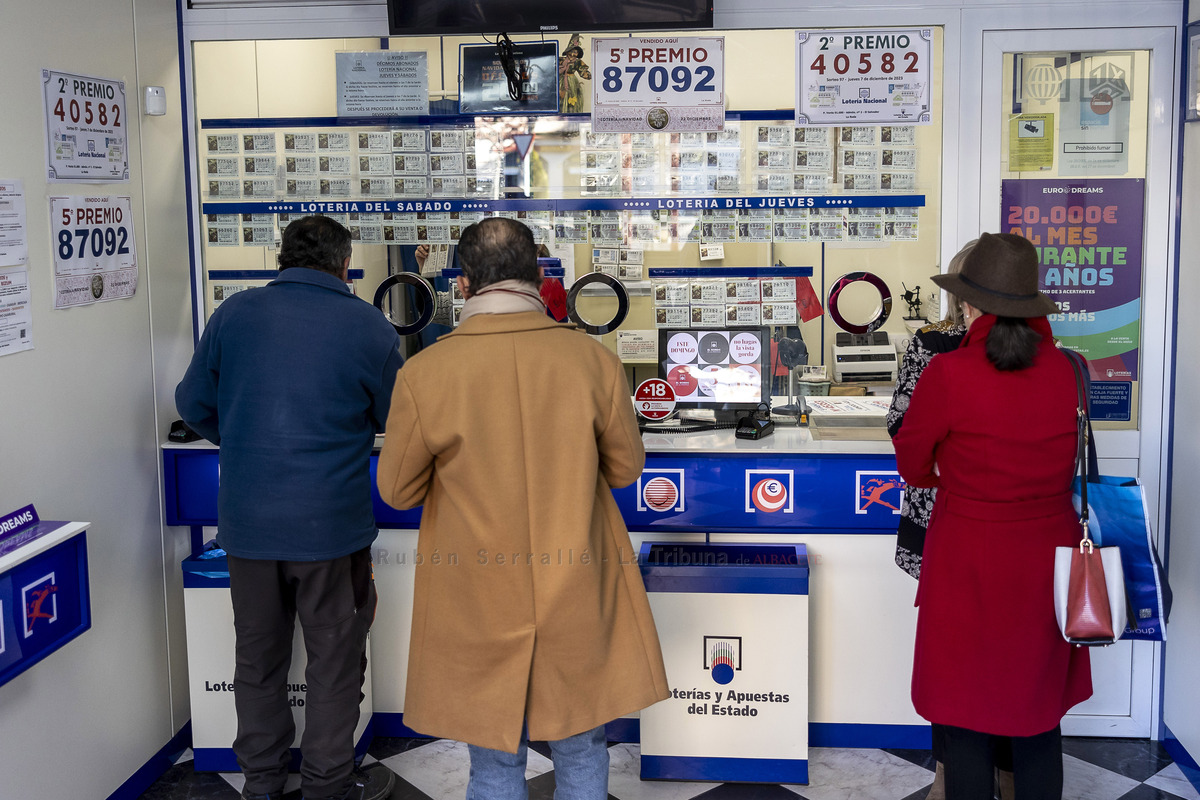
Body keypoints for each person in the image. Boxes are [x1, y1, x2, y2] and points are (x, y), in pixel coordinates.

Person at [376, 216, 669, 799]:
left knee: (493, 757)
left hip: (476, 590)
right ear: (538, 275)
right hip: (579, 582)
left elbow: (397, 491)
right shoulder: (592, 361)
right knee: (583, 744)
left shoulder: (424, 373)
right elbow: (625, 468)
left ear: (462, 285)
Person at [175, 215, 401, 800]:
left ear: (282, 257)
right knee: (334, 661)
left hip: (247, 528)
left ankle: (262, 783)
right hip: (332, 531)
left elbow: (192, 402)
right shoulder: (367, 326)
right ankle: (328, 785)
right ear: (344, 264)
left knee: (256, 659)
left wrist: (241, 438)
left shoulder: (234, 314)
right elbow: (394, 418)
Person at [892, 232, 1092, 800]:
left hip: (966, 556)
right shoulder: (1071, 372)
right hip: (1045, 558)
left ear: (972, 306)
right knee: (1038, 710)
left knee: (964, 713)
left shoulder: (949, 374)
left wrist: (954, 479)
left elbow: (912, 464)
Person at [887, 240, 1015, 800]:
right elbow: (902, 423)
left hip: (981, 526)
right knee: (956, 657)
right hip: (946, 524)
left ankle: (997, 772)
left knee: (981, 654)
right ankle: (948, 771)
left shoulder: (1027, 351)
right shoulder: (931, 346)